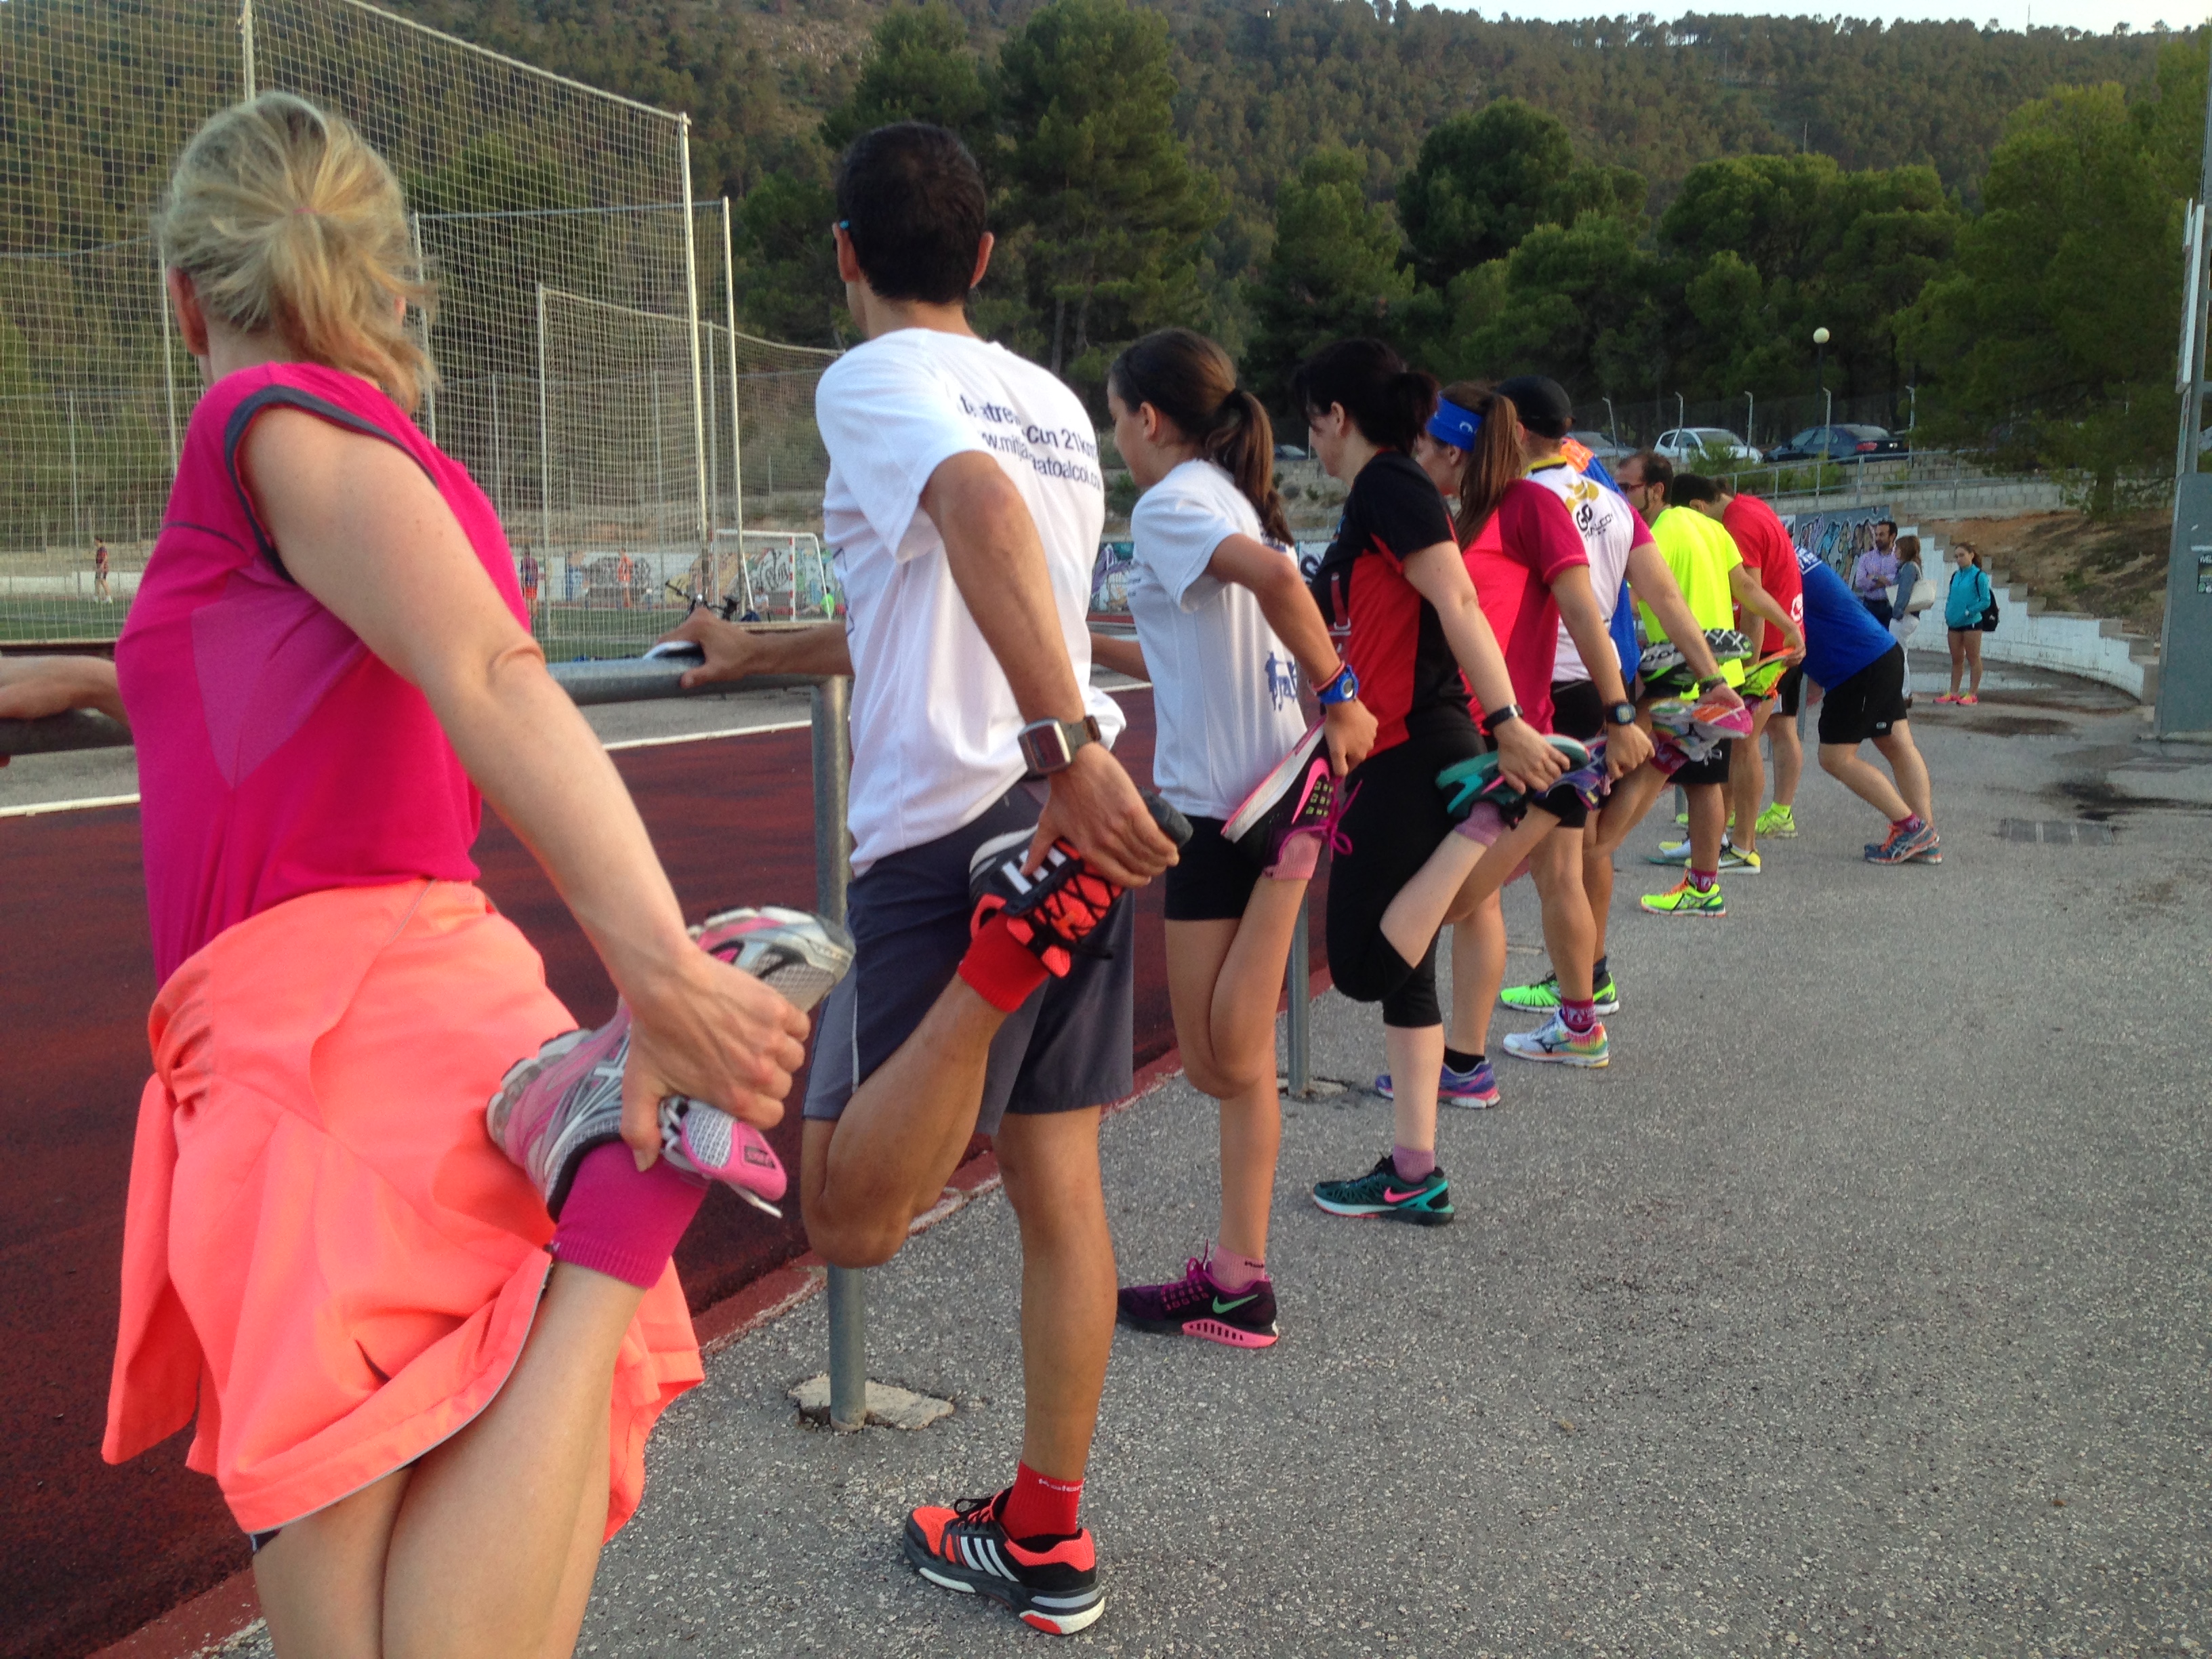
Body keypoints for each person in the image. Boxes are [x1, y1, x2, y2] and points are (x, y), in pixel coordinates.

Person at [100, 94, 824, 1659]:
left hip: (315, 1050)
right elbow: (281, 687)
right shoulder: (407, 474)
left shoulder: (259, 428)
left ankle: (627, 1149)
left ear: (182, 298)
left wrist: (661, 971)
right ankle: (620, 1202)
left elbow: (494, 671)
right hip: (450, 1016)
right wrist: (82, 679)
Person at [665, 123, 1179, 1636]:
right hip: (1056, 824)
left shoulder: (874, 377)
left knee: (843, 1216)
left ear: (843, 257)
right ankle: (1047, 1535)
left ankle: (999, 959)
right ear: (983, 258)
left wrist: (1062, 743)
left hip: (962, 830)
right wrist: (767, 652)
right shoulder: (1051, 406)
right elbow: (944, 586)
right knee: (1059, 1193)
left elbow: (973, 519)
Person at [1083, 328, 1376, 1348]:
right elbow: (1187, 646)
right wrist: (1063, 640)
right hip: (1264, 786)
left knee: (1217, 1064)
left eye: (1116, 417)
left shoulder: (1171, 504)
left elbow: (1285, 593)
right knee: (1238, 1070)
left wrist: (1339, 695)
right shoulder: (1233, 500)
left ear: (1149, 419)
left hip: (1227, 811)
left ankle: (1300, 860)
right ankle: (1239, 1281)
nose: (1117, 437)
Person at [1287, 340, 1597, 1229]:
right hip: (1419, 742)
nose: (1312, 442)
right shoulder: (1392, 492)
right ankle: (1414, 1170)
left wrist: (1506, 729)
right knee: (1408, 968)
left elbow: (1459, 602)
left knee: (1360, 961)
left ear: (1337, 417)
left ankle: (1489, 816)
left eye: (1312, 422)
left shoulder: (1390, 486)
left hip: (1417, 745)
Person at [1397, 378, 1651, 1082]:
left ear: (1455, 449)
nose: (1417, 454)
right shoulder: (1462, 516)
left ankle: (1465, 1059)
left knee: (1453, 900)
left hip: (1522, 733)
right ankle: (1469, 1061)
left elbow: (1584, 615)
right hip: (1477, 729)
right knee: (1501, 897)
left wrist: (1620, 713)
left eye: (1426, 443)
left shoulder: (1531, 506)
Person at [1628, 466, 1801, 914]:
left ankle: (1591, 855)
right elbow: (1746, 586)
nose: (1623, 497)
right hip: (1722, 676)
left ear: (1656, 490)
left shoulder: (1657, 532)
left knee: (1641, 770)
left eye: (1628, 488)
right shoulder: (1712, 529)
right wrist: (1790, 628)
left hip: (1681, 675)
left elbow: (1630, 599)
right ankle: (1703, 886)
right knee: (1704, 782)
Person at [1683, 477, 1803, 872]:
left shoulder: (1738, 523)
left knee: (1743, 744)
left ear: (1698, 509)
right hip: (1778, 643)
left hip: (1767, 650)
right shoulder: (1752, 507)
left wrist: (1747, 665)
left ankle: (1742, 846)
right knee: (1744, 741)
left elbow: (1751, 598)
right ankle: (1720, 837)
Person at [1795, 544, 1942, 863]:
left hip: (1856, 665)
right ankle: (1925, 837)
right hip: (1881, 651)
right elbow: (1822, 614)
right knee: (1898, 744)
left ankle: (1912, 829)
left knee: (1834, 757)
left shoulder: (1767, 566)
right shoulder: (1797, 557)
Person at [1937, 541, 1991, 705]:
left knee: (1973, 657)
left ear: (1971, 555)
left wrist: (1970, 611)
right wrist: (1948, 613)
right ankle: (1954, 691)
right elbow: (1952, 597)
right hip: (1954, 623)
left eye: (1962, 555)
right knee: (1956, 659)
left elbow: (1986, 601)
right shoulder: (1956, 576)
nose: (1959, 559)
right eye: (1957, 556)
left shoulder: (1978, 576)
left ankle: (1972, 693)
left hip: (1971, 623)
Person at [1850, 518, 1900, 625]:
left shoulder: (1899, 558)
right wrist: (1885, 582)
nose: (1877, 538)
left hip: (1891, 606)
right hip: (1870, 606)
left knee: (1890, 639)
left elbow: (1898, 580)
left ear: (1892, 536)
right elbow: (1860, 581)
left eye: (1882, 535)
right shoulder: (1866, 558)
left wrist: (1874, 577)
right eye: (1876, 535)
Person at [1889, 533, 1924, 648]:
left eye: (1897, 548)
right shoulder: (1910, 566)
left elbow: (1904, 592)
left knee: (1898, 653)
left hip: (1905, 615)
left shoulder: (1909, 567)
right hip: (1907, 615)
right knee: (1901, 651)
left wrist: (1897, 613)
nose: (1895, 551)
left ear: (1905, 550)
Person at [518, 544, 541, 613]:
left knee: (527, 598)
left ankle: (529, 614)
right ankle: (534, 613)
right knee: (533, 598)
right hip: (534, 582)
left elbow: (523, 572)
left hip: (527, 582)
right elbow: (537, 572)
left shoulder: (524, 561)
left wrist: (522, 582)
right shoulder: (534, 561)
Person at [94, 538, 112, 602]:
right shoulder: (99, 549)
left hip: (103, 569)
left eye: (95, 540)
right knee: (97, 581)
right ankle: (96, 597)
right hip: (99, 568)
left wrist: (102, 565)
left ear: (98, 541)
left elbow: (106, 557)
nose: (94, 542)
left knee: (102, 581)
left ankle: (108, 598)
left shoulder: (102, 549)